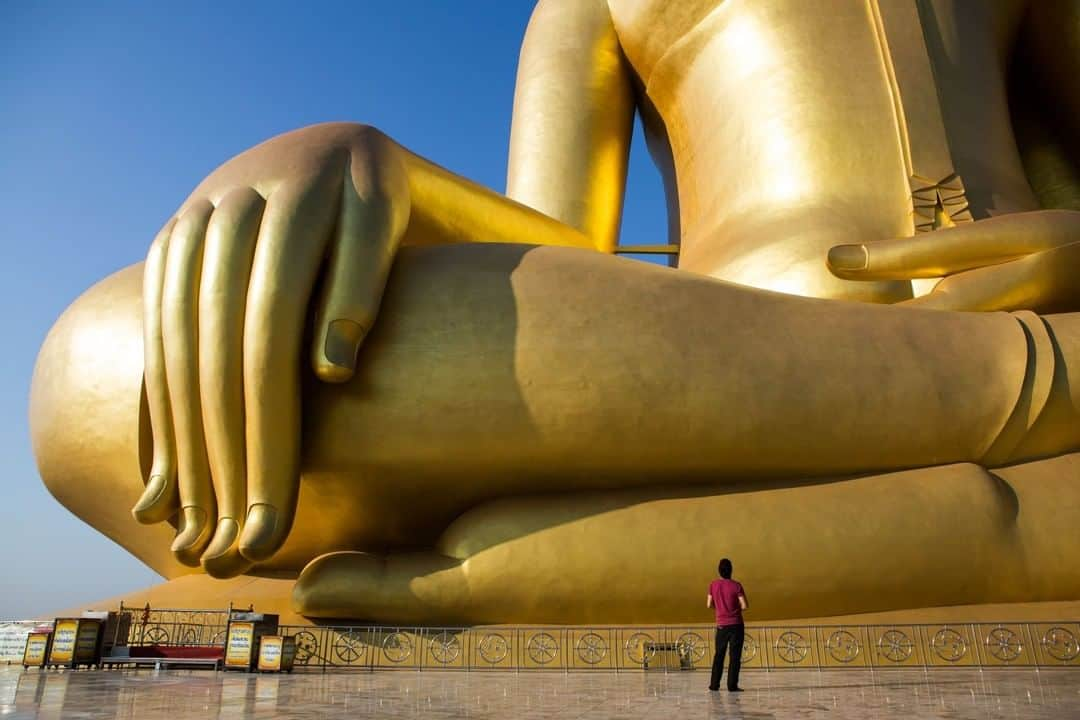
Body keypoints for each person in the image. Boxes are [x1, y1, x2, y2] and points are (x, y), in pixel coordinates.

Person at [28, 0, 1080, 624]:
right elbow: (556, 251)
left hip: (1044, 307)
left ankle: (519, 573)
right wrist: (372, 166)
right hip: (723, 363)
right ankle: (1014, 408)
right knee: (100, 373)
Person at [707, 559, 748, 692]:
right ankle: (732, 685)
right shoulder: (736, 586)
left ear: (719, 570)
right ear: (731, 570)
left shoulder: (713, 585)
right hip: (736, 624)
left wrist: (720, 609)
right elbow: (745, 605)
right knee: (734, 656)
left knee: (719, 655)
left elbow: (709, 604)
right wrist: (734, 611)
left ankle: (714, 685)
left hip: (721, 625)